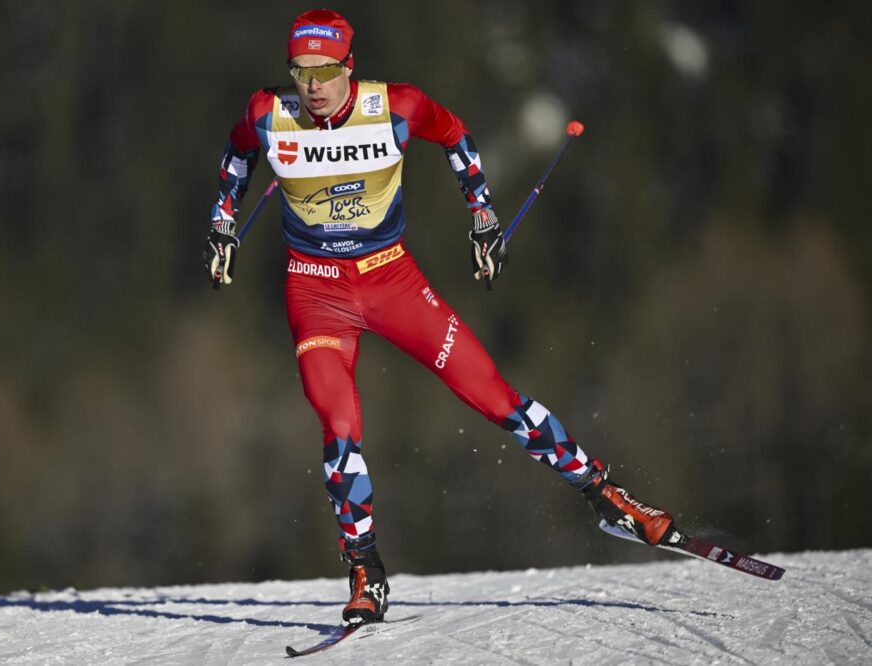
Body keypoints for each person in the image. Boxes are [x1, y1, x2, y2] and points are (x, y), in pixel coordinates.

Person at [205, 9, 675, 626]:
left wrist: (481, 213)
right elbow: (238, 154)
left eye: (325, 71)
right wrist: (223, 221)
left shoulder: (396, 108)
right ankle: (366, 573)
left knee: (497, 399)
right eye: (300, 72)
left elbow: (453, 133)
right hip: (315, 290)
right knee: (339, 425)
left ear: (350, 67)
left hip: (391, 278)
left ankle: (607, 497)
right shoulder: (270, 114)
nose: (312, 86)